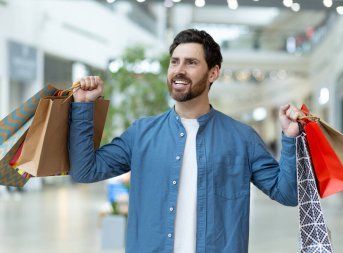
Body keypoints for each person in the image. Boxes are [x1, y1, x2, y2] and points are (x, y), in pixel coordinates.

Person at [69, 29, 303, 253]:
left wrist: (291, 138)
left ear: (213, 73)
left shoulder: (242, 139)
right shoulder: (141, 134)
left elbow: (287, 194)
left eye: (191, 63)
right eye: (174, 61)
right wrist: (83, 106)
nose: (179, 70)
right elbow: (84, 171)